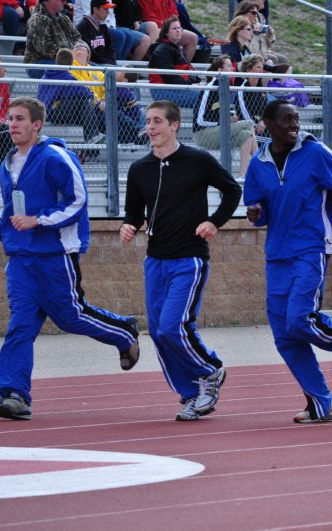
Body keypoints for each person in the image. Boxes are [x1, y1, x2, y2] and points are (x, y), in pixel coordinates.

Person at [0, 96, 141, 420]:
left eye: (20, 119)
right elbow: (13, 207)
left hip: (55, 253)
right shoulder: (7, 162)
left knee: (70, 317)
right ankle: (14, 395)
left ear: (36, 124)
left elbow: (77, 201)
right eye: (10, 118)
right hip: (21, 257)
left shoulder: (56, 157)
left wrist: (39, 220)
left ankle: (124, 333)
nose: (12, 124)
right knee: (20, 326)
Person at [243, 100, 332, 424]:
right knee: (284, 334)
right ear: (268, 123)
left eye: (296, 118)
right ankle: (321, 404)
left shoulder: (316, 153)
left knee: (299, 318)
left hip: (312, 247)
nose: (294, 124)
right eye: (286, 119)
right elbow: (259, 210)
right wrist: (256, 214)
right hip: (277, 253)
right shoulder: (258, 163)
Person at [120, 100, 241, 421]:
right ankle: (192, 394)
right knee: (159, 332)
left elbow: (232, 191)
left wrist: (214, 221)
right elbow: (134, 211)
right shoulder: (139, 169)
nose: (151, 127)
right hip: (155, 260)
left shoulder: (197, 160)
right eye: (148, 121)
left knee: (174, 327)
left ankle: (210, 371)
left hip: (189, 258)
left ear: (174, 125)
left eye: (158, 121)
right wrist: (128, 225)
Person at [192, 55, 258, 175]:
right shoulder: (211, 88)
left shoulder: (224, 87)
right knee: (248, 123)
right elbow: (200, 119)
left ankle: (244, 177)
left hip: (218, 130)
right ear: (219, 70)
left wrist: (229, 117)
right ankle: (261, 165)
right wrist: (223, 121)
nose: (232, 69)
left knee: (246, 136)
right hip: (203, 133)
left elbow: (217, 112)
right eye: (228, 66)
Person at [69, 41, 141, 144]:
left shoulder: (96, 72)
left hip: (100, 106)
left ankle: (134, 136)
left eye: (81, 46)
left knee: (113, 111)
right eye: (75, 46)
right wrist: (99, 101)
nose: (77, 47)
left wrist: (103, 100)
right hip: (83, 107)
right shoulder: (69, 68)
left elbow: (106, 87)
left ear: (88, 54)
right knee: (110, 115)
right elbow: (80, 88)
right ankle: (137, 132)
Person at [36, 47, 106, 146]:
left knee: (87, 109)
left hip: (49, 112)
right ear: (71, 62)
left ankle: (92, 146)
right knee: (84, 100)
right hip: (54, 113)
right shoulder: (65, 76)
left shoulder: (46, 74)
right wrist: (98, 103)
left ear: (57, 60)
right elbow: (83, 91)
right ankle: (93, 137)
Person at [147, 16, 198, 108]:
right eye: (174, 29)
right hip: (163, 91)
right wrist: (189, 84)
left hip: (176, 88)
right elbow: (170, 77)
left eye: (179, 28)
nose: (178, 31)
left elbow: (186, 72)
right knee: (206, 96)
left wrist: (193, 81)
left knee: (209, 94)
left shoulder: (176, 48)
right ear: (166, 33)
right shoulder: (162, 50)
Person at [75, 0, 150, 62]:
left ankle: (119, 64)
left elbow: (110, 50)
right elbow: (90, 53)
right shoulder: (82, 27)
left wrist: (112, 63)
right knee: (119, 36)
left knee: (127, 37)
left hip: (103, 63)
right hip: (92, 64)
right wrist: (106, 63)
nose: (107, 12)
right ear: (95, 9)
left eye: (108, 9)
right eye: (105, 9)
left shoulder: (103, 27)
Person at [24, 0, 81, 79]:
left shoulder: (64, 18)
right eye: (62, 0)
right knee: (72, 70)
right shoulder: (37, 19)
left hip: (66, 59)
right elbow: (46, 49)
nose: (64, 3)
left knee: (94, 68)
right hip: (38, 64)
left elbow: (77, 37)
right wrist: (72, 56)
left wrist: (80, 51)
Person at [234, 0, 287, 68]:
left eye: (256, 13)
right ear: (245, 12)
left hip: (261, 51)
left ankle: (280, 78)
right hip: (251, 54)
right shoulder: (240, 24)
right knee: (272, 59)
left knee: (283, 59)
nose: (264, 0)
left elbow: (266, 41)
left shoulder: (260, 17)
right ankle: (270, 78)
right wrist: (252, 31)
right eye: (254, 13)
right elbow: (245, 46)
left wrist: (270, 34)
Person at [236, 54, 268, 135]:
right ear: (248, 69)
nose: (262, 70)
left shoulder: (261, 88)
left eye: (262, 67)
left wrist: (264, 121)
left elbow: (267, 110)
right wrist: (257, 125)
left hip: (264, 125)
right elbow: (244, 113)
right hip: (250, 129)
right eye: (258, 67)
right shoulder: (242, 89)